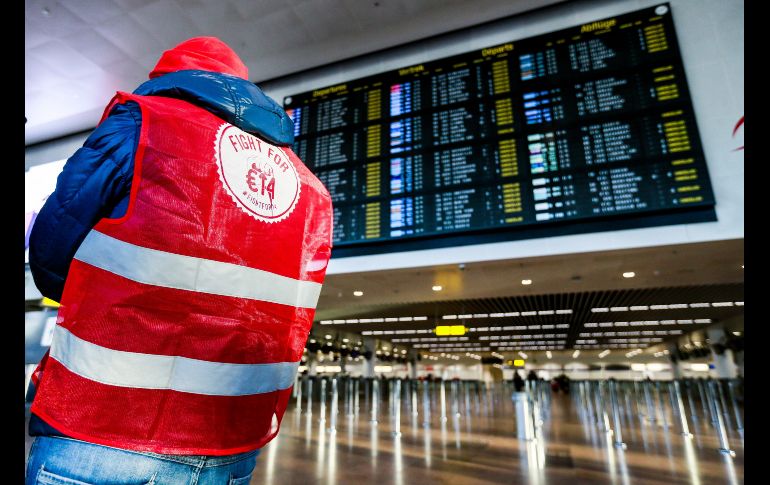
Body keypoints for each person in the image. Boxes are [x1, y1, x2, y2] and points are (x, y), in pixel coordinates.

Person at [26, 37, 333, 484]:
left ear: (169, 80)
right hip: (232, 446)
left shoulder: (142, 121)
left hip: (102, 426)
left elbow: (52, 255)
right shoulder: (311, 188)